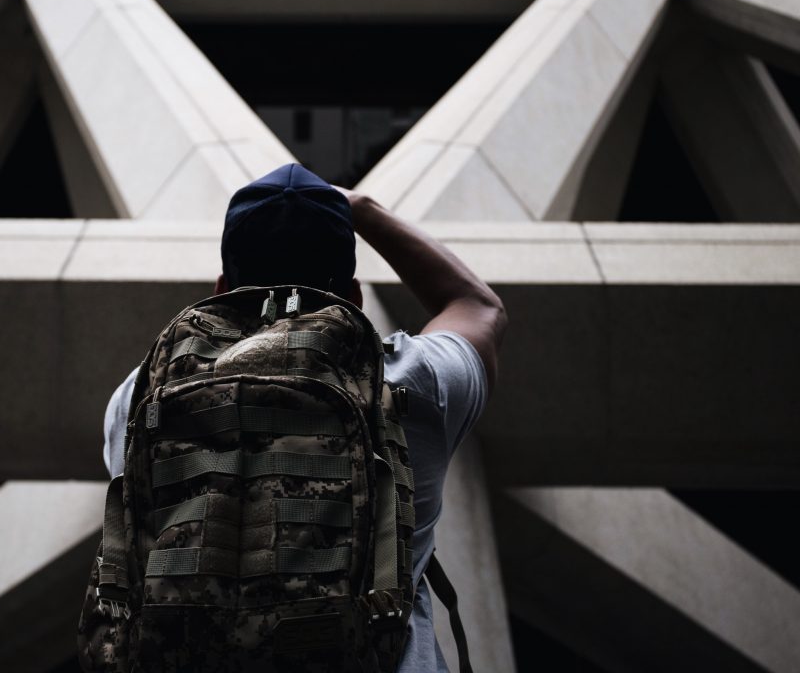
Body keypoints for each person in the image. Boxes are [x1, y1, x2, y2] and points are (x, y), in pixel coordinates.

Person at [101, 163, 507, 671]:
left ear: (221, 288)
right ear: (354, 296)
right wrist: (363, 210)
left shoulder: (139, 399)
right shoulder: (412, 381)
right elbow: (479, 307)